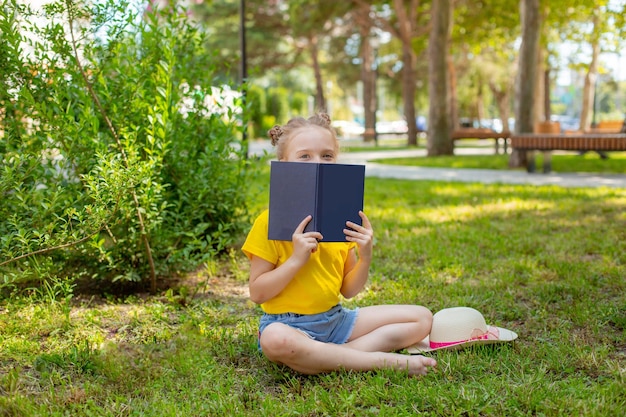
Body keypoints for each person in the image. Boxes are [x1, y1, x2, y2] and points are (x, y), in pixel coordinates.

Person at [242, 112, 436, 376]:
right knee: (274, 340)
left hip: (336, 320)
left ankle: (325, 358)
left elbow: (348, 289)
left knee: (422, 318)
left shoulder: (341, 218)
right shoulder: (269, 221)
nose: (318, 163)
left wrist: (365, 256)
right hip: (288, 325)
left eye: (327, 155)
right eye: (304, 156)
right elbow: (258, 292)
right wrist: (297, 259)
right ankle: (381, 362)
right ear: (284, 162)